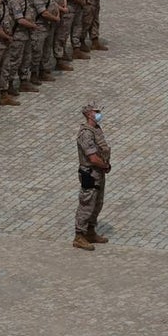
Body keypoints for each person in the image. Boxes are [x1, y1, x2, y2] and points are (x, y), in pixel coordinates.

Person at [74, 103, 111, 250]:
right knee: (87, 204)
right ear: (89, 114)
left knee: (97, 203)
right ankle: (79, 236)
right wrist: (105, 166)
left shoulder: (95, 129)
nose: (99, 113)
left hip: (98, 172)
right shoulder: (86, 133)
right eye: (96, 111)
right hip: (90, 172)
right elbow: (93, 157)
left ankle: (90, 231)